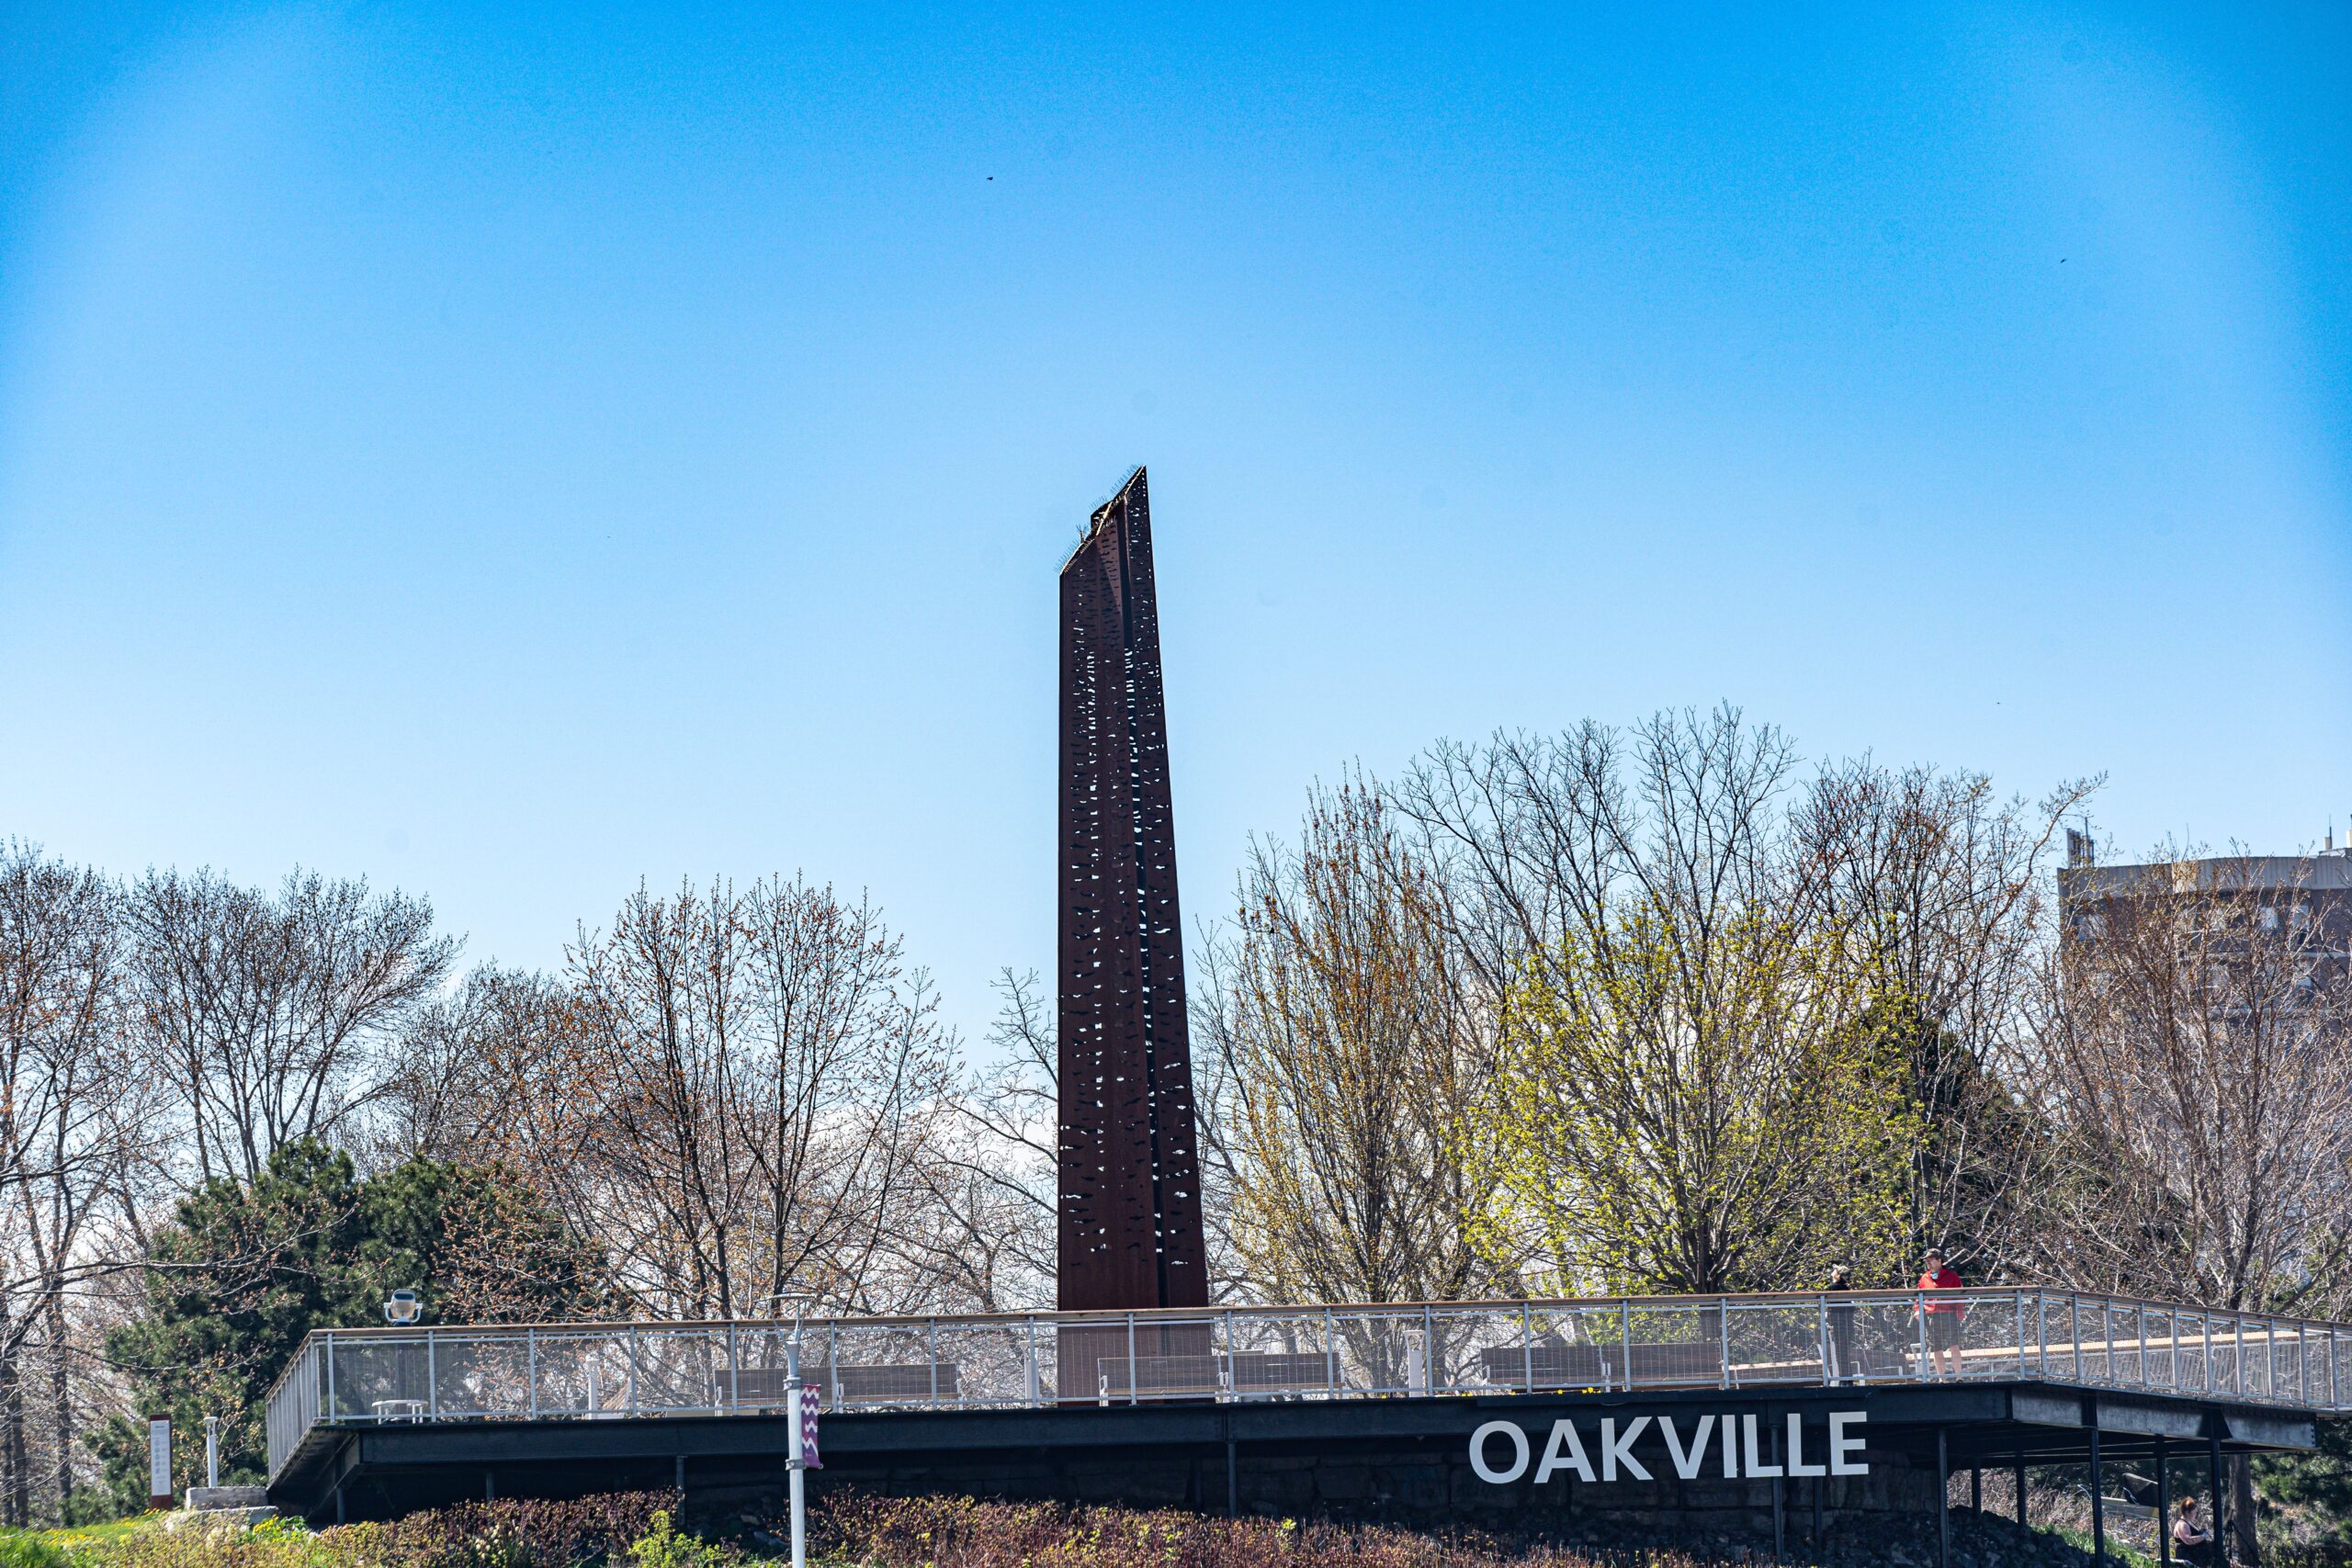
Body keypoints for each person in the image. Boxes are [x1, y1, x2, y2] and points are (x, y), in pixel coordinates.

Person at [1917, 1248, 1966, 1378]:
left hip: (1949, 1314)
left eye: (1931, 1259)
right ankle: (1942, 1378)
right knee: (1935, 1348)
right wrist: (1917, 1311)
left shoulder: (1952, 1276)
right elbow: (1919, 1297)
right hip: (1931, 1316)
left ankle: (1959, 1377)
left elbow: (1960, 1296)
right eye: (1926, 1260)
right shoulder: (1924, 1278)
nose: (1928, 1262)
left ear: (1940, 1260)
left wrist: (1959, 1312)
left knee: (1954, 1345)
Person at [1826, 1262, 1861, 1383]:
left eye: (1835, 1271)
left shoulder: (1834, 1287)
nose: (1833, 1272)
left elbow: (1830, 1306)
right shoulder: (1845, 1287)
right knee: (1844, 1353)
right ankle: (1847, 1379)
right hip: (1846, 1324)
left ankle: (1844, 1379)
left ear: (1839, 1275)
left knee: (1840, 1354)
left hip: (1839, 1324)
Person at [2171, 1495, 2214, 1564]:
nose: (2196, 1514)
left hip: (2196, 1559)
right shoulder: (2182, 1524)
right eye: (2195, 1512)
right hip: (2187, 1561)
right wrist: (2203, 1536)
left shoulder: (2190, 1523)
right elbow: (2188, 1540)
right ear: (2187, 1512)